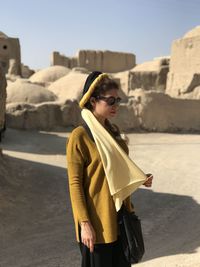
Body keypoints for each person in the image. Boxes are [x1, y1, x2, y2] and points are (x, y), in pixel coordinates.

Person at [66, 71, 153, 267]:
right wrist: (84, 224)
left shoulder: (113, 133)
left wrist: (139, 179)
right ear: (93, 100)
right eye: (110, 100)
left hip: (120, 221)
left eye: (118, 100)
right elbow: (75, 184)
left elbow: (117, 173)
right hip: (96, 225)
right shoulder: (80, 136)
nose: (115, 106)